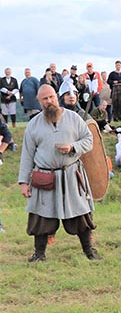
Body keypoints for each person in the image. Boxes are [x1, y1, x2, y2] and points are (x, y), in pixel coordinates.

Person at [17, 84, 99, 262]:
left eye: (52, 97)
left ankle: (89, 252)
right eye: (45, 99)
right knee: (40, 217)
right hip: (44, 177)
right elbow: (27, 155)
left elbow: (89, 140)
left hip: (71, 174)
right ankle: (39, 254)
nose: (49, 101)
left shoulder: (73, 118)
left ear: (57, 97)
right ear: (39, 102)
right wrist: (24, 182)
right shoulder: (33, 125)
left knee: (81, 216)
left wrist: (73, 147)